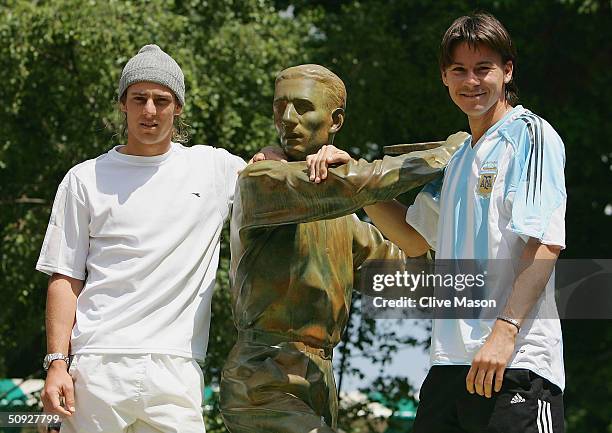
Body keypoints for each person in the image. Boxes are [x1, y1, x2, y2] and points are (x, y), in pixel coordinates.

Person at [309, 12, 567, 433]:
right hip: (449, 366)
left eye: (483, 68)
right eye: (459, 70)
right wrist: (352, 177)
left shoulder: (531, 135)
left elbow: (545, 245)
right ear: (444, 78)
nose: (472, 81)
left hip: (516, 362)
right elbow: (413, 238)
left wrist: (504, 334)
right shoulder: (460, 157)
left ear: (507, 70)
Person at [219, 64, 462, 432]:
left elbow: (417, 277)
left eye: (302, 106)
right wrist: (447, 156)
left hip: (320, 380)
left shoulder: (346, 224)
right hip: (262, 378)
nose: (287, 118)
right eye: (280, 106)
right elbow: (349, 185)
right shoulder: (261, 180)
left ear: (335, 121)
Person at [36, 44, 245, 433]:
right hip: (96, 366)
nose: (150, 110)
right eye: (139, 98)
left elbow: (279, 181)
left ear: (178, 106)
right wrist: (56, 363)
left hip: (177, 366)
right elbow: (64, 279)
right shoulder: (84, 178)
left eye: (161, 100)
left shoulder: (214, 168)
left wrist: (316, 156)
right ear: (123, 104)